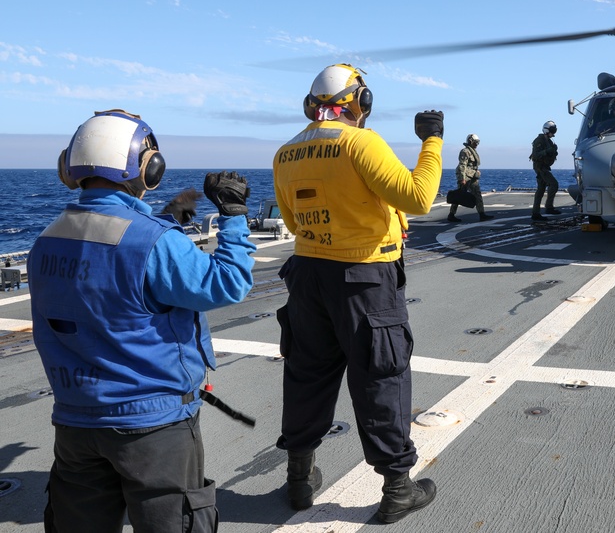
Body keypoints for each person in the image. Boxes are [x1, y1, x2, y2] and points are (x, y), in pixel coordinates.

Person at [29, 109, 256, 533]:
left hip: (76, 422)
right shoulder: (154, 241)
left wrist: (169, 221)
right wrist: (234, 215)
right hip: (154, 427)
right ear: (147, 166)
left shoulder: (46, 241)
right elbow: (227, 284)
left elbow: (104, 281)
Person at [272, 63, 442, 523]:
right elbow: (418, 197)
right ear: (359, 102)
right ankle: (397, 488)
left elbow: (291, 221)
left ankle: (299, 479)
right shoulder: (361, 142)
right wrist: (432, 141)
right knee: (379, 377)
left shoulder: (286, 152)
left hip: (307, 276)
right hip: (365, 279)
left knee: (307, 375)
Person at [447, 133, 493, 222]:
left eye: (477, 142)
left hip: (472, 176)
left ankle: (482, 214)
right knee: (459, 195)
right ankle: (451, 214)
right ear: (470, 141)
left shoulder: (473, 151)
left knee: (478, 195)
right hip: (466, 176)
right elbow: (462, 165)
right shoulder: (465, 151)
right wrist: (462, 179)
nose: (476, 144)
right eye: (475, 142)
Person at [529, 120, 560, 221]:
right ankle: (548, 207)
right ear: (547, 130)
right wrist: (547, 151)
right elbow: (536, 155)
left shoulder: (549, 141)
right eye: (552, 131)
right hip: (540, 167)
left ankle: (536, 213)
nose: (553, 133)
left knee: (541, 190)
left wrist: (554, 151)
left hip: (544, 167)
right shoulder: (539, 141)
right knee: (554, 184)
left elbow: (550, 154)